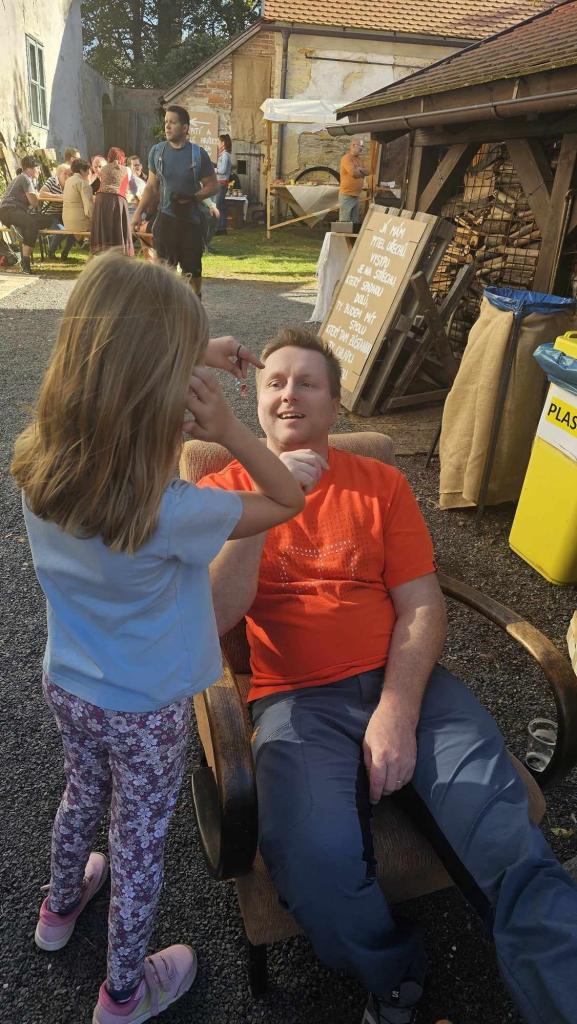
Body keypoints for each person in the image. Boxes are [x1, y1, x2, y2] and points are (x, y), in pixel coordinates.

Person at [200, 328, 577, 1024]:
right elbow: (214, 615)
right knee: (314, 862)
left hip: (409, 685)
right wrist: (264, 496)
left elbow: (421, 604)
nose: (288, 393)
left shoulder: (378, 484)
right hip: (295, 700)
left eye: (307, 382)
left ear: (335, 404)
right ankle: (393, 976)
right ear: (256, 401)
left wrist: (397, 711)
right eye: (274, 382)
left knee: (508, 845)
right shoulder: (220, 490)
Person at [11, 253, 304, 1024]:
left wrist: (194, 352)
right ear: (155, 385)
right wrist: (232, 429)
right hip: (145, 707)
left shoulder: (39, 457)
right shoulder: (170, 511)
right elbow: (285, 498)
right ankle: (123, 995)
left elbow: (117, 366)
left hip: (69, 681)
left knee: (82, 792)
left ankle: (57, 910)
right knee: (138, 843)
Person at [131, 105, 217, 300]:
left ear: (185, 128)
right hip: (166, 220)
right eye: (166, 122)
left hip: (191, 222)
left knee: (193, 272)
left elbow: (213, 186)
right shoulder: (157, 152)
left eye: (172, 122)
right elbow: (151, 187)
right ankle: (165, 307)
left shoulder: (198, 154)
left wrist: (194, 197)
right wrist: (137, 214)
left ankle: (194, 302)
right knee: (163, 270)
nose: (167, 126)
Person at [0, 155, 54, 274]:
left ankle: (19, 229)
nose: (39, 171)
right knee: (32, 225)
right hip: (10, 211)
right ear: (29, 169)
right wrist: (35, 195)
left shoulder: (21, 178)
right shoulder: (25, 179)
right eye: (37, 168)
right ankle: (25, 262)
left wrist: (34, 194)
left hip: (11, 212)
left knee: (47, 219)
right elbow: (34, 202)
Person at [91, 152, 133, 256]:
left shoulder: (104, 168)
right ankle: (120, 253)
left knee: (103, 227)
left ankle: (102, 253)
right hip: (117, 198)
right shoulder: (127, 169)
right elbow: (126, 187)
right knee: (118, 227)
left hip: (101, 199)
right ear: (122, 158)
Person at [37, 163, 73, 260]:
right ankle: (51, 253)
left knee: (76, 230)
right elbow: (41, 193)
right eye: (65, 173)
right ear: (58, 174)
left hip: (63, 214)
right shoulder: (52, 180)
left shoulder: (70, 184)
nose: (68, 176)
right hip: (50, 214)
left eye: (70, 174)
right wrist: (59, 196)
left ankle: (65, 254)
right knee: (61, 231)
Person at [62, 159, 94, 239]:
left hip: (67, 223)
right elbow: (89, 209)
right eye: (88, 170)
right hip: (80, 223)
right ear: (82, 170)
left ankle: (84, 243)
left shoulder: (68, 181)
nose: (89, 172)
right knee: (103, 225)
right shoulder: (83, 183)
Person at [339, 138, 367, 225]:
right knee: (344, 222)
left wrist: (359, 169)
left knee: (354, 222)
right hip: (347, 194)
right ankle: (342, 234)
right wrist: (359, 170)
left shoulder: (360, 160)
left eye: (362, 146)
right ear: (353, 146)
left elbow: (367, 172)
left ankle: (351, 234)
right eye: (360, 146)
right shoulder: (346, 158)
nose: (361, 149)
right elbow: (353, 173)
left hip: (356, 195)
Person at [215, 133, 232, 235]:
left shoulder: (225, 155)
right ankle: (222, 228)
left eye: (218, 141)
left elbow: (222, 170)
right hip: (222, 183)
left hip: (221, 183)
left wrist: (214, 169)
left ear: (223, 143)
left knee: (217, 205)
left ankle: (218, 228)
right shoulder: (224, 154)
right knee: (221, 206)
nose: (217, 143)